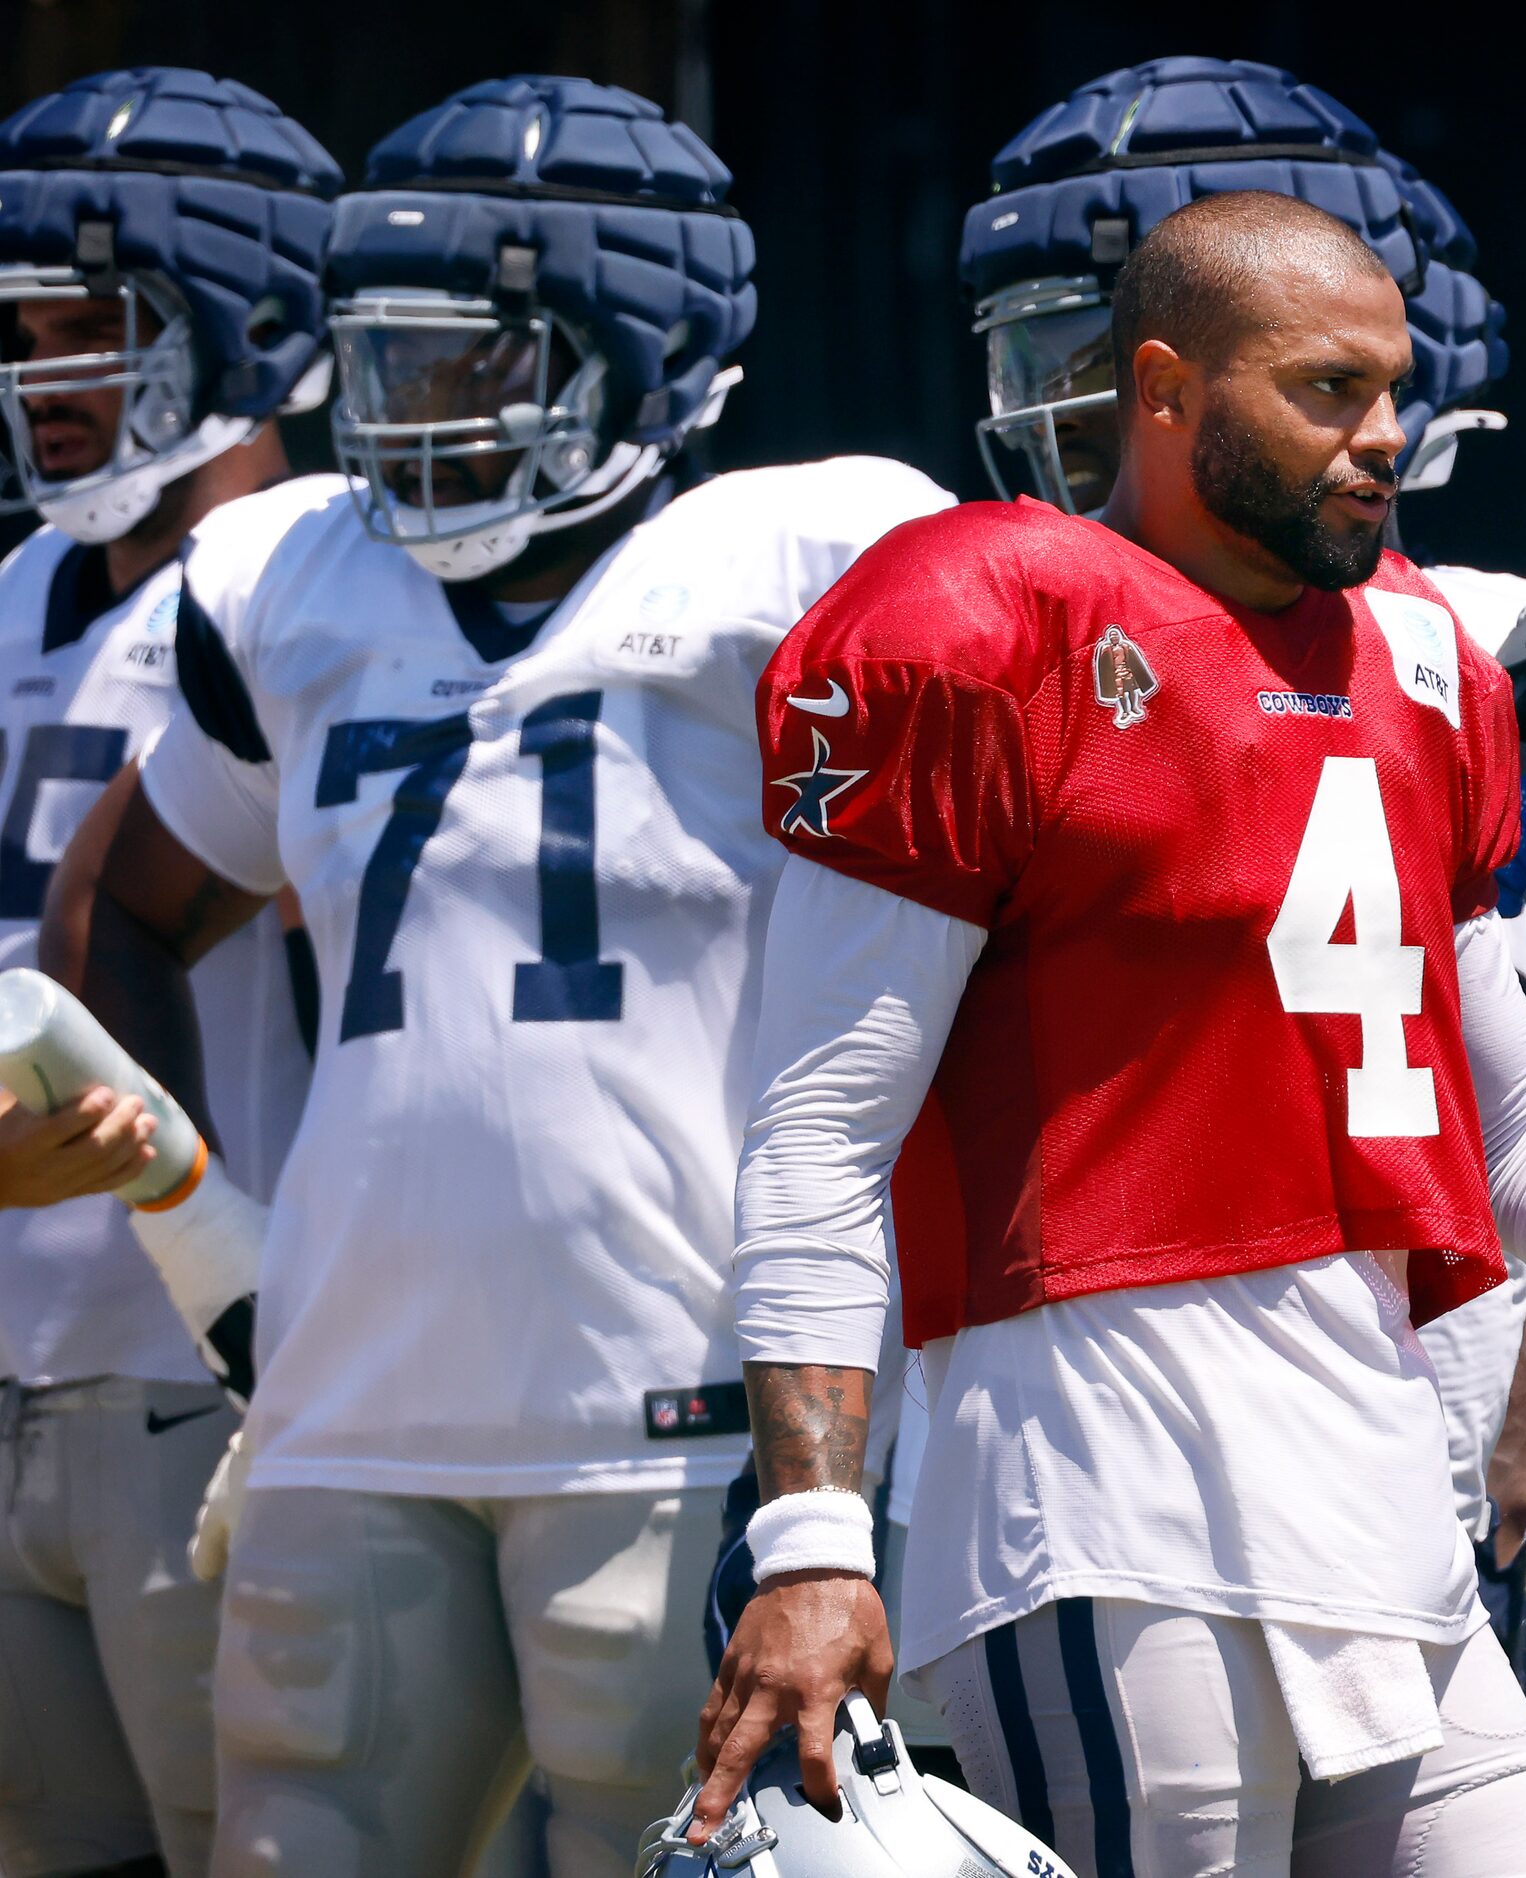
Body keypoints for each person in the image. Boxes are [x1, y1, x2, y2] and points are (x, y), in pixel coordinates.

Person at [691, 188, 1526, 1878]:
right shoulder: (987, 618)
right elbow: (819, 1130)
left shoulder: (1421, 658)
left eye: (1394, 390)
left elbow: (1512, 1139)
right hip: (1101, 1516)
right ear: (1166, 392)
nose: (1385, 436)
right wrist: (812, 1534)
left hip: (1383, 1523)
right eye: (1327, 391)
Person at [42, 75, 951, 1878]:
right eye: (383, 365)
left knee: (684, 1851)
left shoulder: (810, 559)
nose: (416, 420)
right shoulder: (289, 577)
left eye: (478, 363)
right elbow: (122, 908)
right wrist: (219, 1250)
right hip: (342, 1405)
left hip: (679, 1398)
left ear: (649, 358)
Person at [954, 53, 1526, 1632]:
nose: (1082, 413)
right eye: (1060, 359)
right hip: (1110, 1402)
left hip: (1415, 1334)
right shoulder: (987, 624)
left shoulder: (1465, 648)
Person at [0, 66, 328, 1878]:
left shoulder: (311, 592)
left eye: (91, 328)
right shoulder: (11, 593)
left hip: (213, 1377)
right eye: (24, 332)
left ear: (248, 328)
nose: (47, 373)